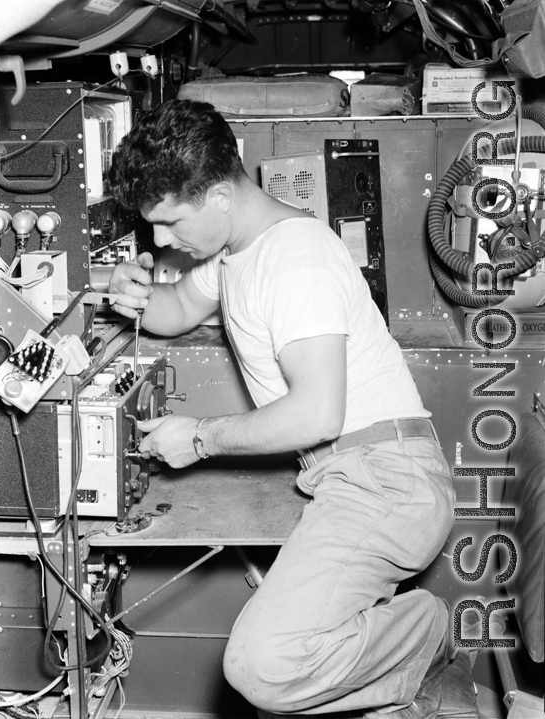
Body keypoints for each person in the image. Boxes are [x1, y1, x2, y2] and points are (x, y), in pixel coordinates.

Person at [108, 98, 456, 718]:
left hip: (386, 479)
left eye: (170, 222)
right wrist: (134, 296)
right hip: (349, 473)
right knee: (289, 676)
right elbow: (176, 310)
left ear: (218, 195)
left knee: (263, 666)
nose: (160, 240)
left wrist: (200, 438)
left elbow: (317, 414)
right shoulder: (232, 251)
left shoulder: (295, 260)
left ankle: (422, 633)